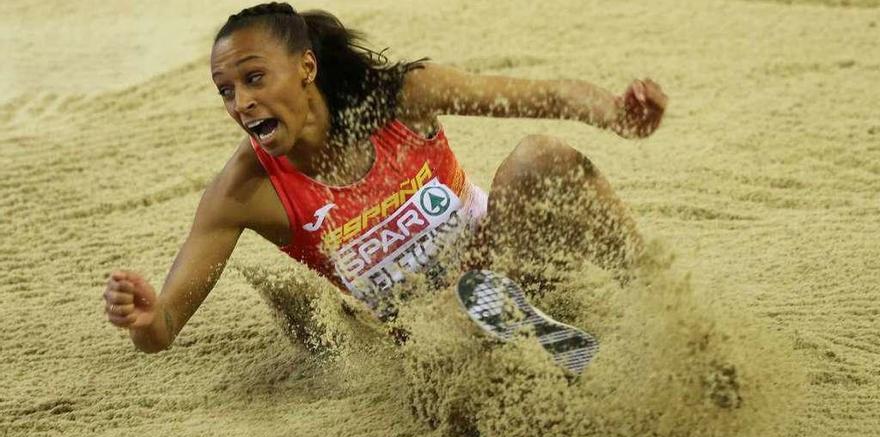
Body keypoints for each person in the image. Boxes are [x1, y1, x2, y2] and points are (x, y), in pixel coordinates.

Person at [102, 2, 667, 353]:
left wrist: (618, 114)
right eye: (227, 91)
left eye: (253, 79)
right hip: (433, 339)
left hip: (509, 261)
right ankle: (515, 342)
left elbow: (546, 96)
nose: (241, 104)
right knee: (452, 319)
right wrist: (146, 320)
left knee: (539, 156)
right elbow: (166, 324)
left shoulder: (400, 98)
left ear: (306, 68)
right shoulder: (246, 191)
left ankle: (661, 303)